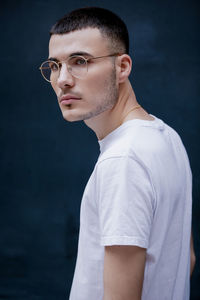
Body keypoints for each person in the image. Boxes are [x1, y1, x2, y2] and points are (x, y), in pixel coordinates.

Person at [39, 7, 195, 300]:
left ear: (122, 67)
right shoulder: (167, 137)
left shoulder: (123, 160)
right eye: (55, 65)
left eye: (80, 61)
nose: (62, 80)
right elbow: (185, 260)